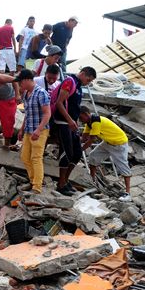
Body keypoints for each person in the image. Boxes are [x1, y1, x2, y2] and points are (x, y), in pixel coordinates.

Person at [54, 67, 97, 196]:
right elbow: (59, 103)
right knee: (67, 153)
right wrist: (69, 120)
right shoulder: (70, 81)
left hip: (72, 123)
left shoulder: (78, 86)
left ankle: (66, 181)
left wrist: (74, 122)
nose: (88, 83)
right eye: (88, 80)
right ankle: (61, 184)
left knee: (77, 153)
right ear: (83, 74)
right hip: (62, 122)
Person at [79, 106, 133, 201]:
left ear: (85, 114)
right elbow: (84, 138)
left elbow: (91, 140)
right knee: (93, 156)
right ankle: (93, 180)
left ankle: (128, 193)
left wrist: (80, 150)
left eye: (80, 117)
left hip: (119, 144)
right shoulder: (89, 123)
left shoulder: (96, 121)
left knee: (123, 167)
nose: (80, 120)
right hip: (107, 142)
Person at [17, 69, 51, 193]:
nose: (20, 85)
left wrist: (38, 130)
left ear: (26, 80)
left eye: (20, 82)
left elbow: (47, 114)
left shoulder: (41, 93)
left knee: (36, 158)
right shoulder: (27, 94)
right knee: (25, 157)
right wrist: (21, 129)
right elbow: (27, 113)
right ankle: (33, 180)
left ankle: (37, 187)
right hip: (28, 129)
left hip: (40, 130)